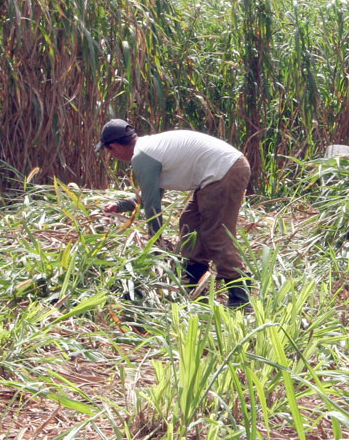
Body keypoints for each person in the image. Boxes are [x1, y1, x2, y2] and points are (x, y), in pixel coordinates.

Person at [96, 119, 252, 308]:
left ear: (113, 147)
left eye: (109, 152)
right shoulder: (149, 149)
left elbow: (152, 205)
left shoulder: (142, 156)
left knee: (215, 234)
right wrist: (119, 206)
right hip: (220, 171)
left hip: (225, 170)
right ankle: (195, 287)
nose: (112, 156)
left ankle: (240, 297)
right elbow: (151, 195)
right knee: (190, 224)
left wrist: (155, 242)